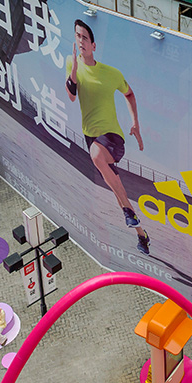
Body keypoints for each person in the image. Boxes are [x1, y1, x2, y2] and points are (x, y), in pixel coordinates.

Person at [64, 19, 150, 255]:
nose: (80, 41)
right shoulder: (72, 63)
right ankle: (140, 233)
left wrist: (135, 123)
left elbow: (129, 94)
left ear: (93, 45)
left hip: (112, 138)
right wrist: (73, 72)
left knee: (96, 157)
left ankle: (129, 214)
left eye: (84, 37)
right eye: (77, 36)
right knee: (116, 189)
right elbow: (72, 96)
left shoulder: (111, 73)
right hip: (90, 136)